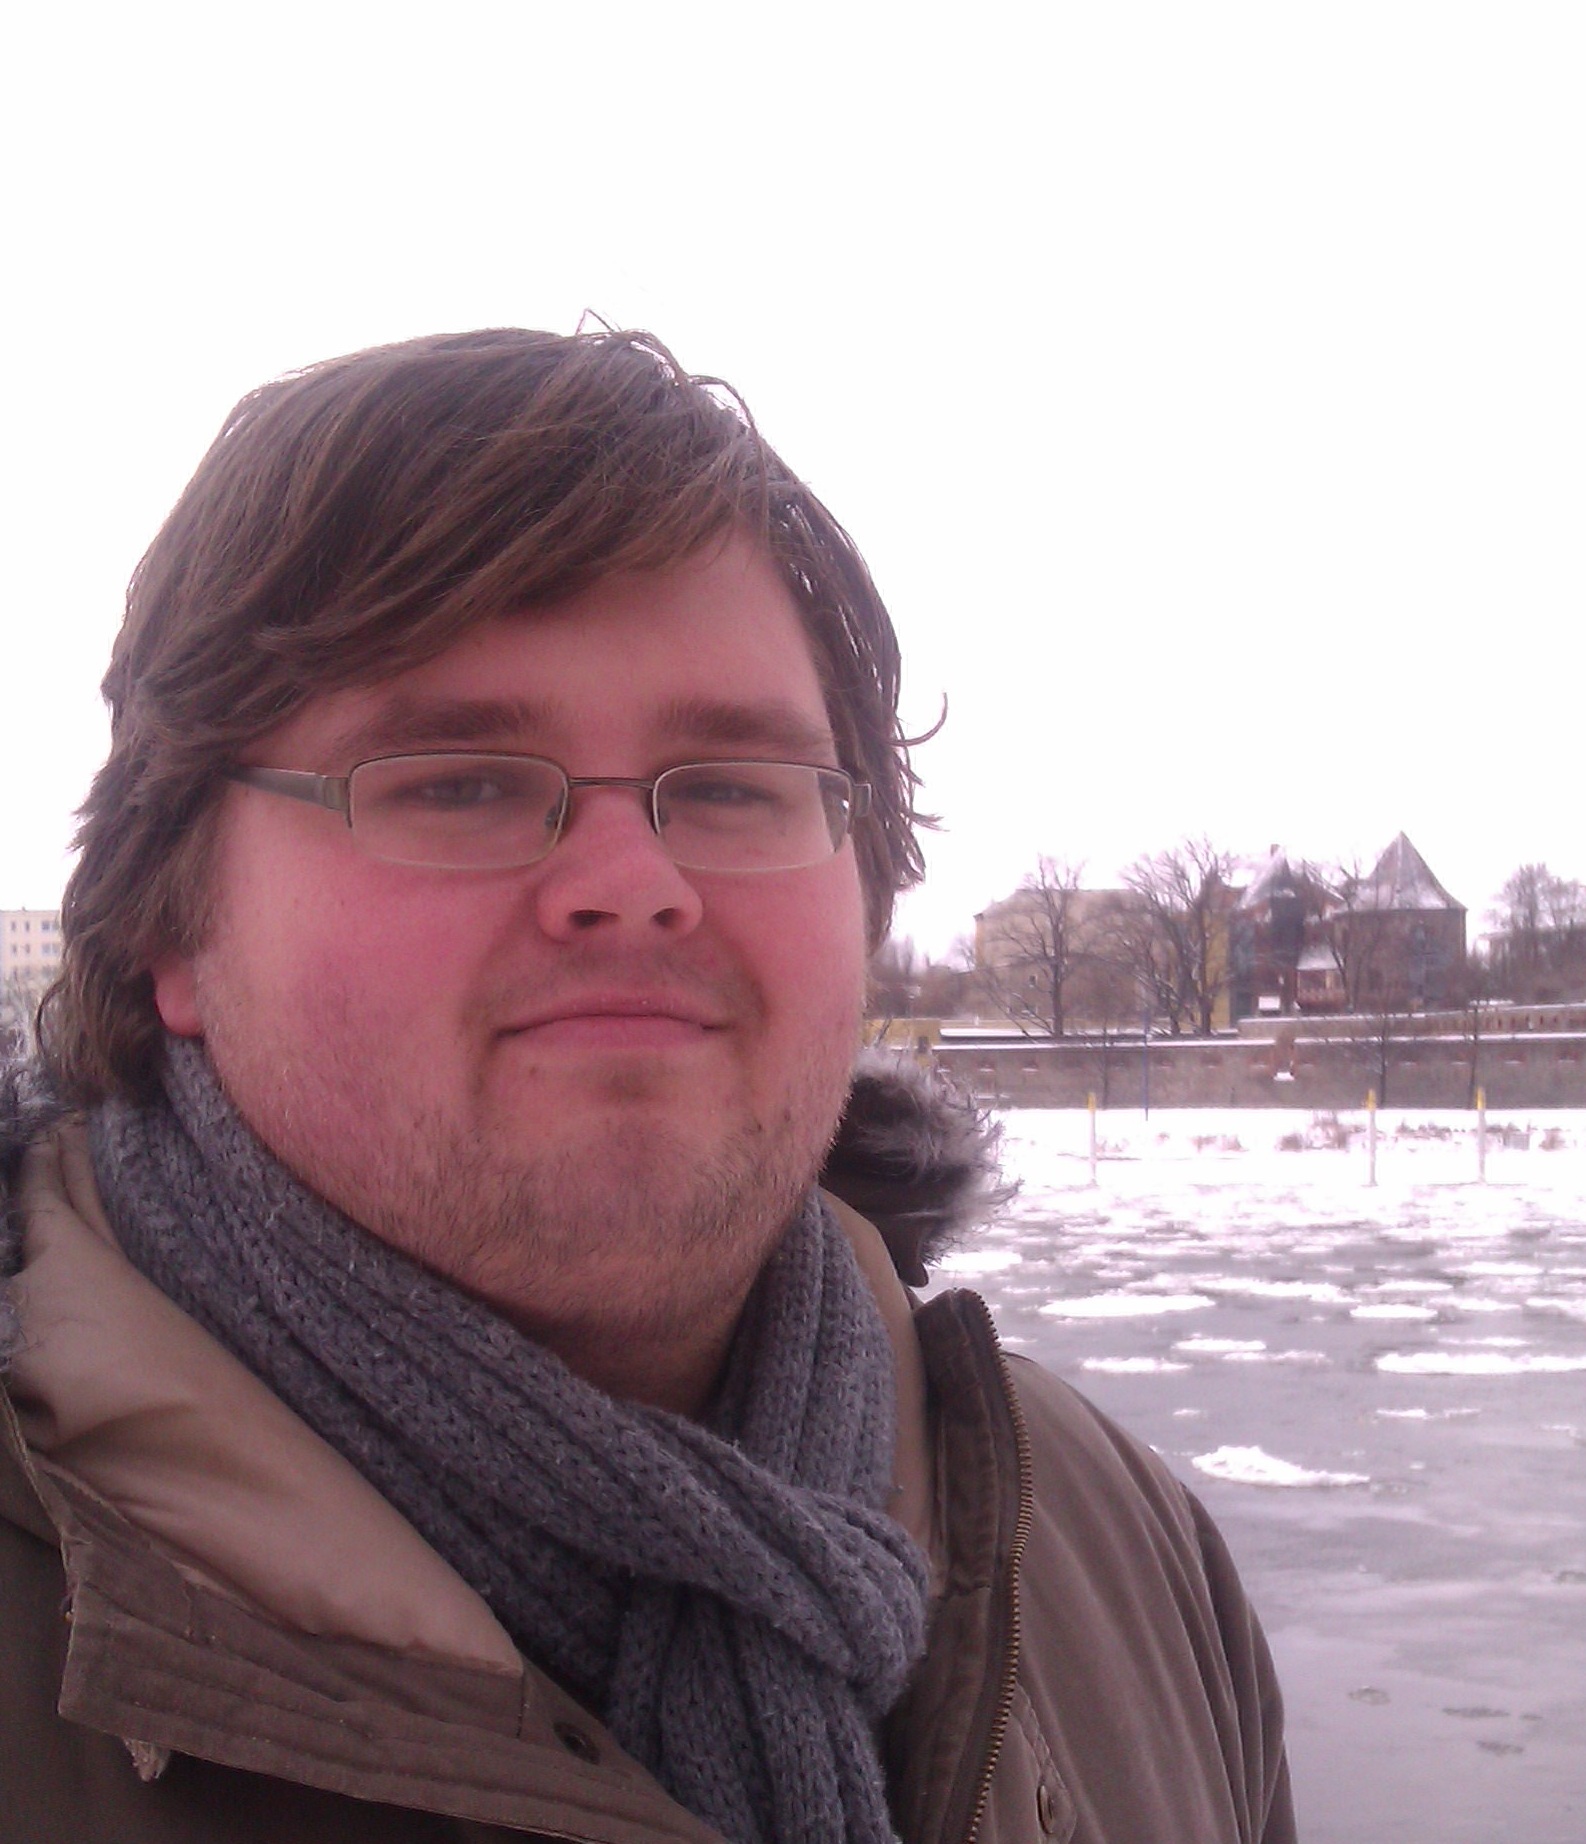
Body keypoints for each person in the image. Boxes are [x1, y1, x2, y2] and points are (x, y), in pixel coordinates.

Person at [0, 328, 1296, 1844]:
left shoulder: (1113, 1548)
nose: (633, 882)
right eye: (457, 782)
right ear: (168, 921)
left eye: (735, 788)